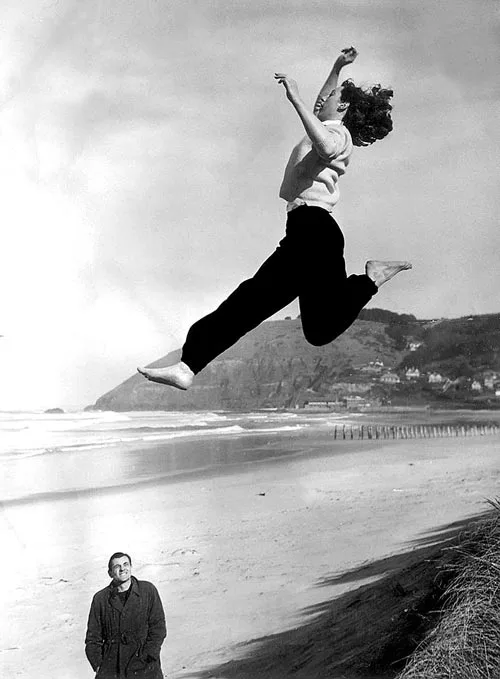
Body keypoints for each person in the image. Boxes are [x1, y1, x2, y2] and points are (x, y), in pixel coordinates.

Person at [138, 46, 411, 390]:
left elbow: (324, 143)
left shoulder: (339, 135)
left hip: (313, 232)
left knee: (250, 302)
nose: (320, 98)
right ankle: (369, 279)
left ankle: (189, 366)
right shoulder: (328, 122)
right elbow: (321, 108)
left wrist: (294, 99)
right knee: (318, 329)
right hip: (312, 231)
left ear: (341, 108)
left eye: (331, 95)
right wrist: (336, 68)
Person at [85, 552, 166, 678]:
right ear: (110, 573)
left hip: (145, 668)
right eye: (117, 566)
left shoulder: (147, 591)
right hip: (112, 670)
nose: (122, 569)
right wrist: (99, 665)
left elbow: (158, 627)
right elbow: (93, 638)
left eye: (125, 564)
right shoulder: (100, 599)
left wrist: (149, 655)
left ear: (131, 567)